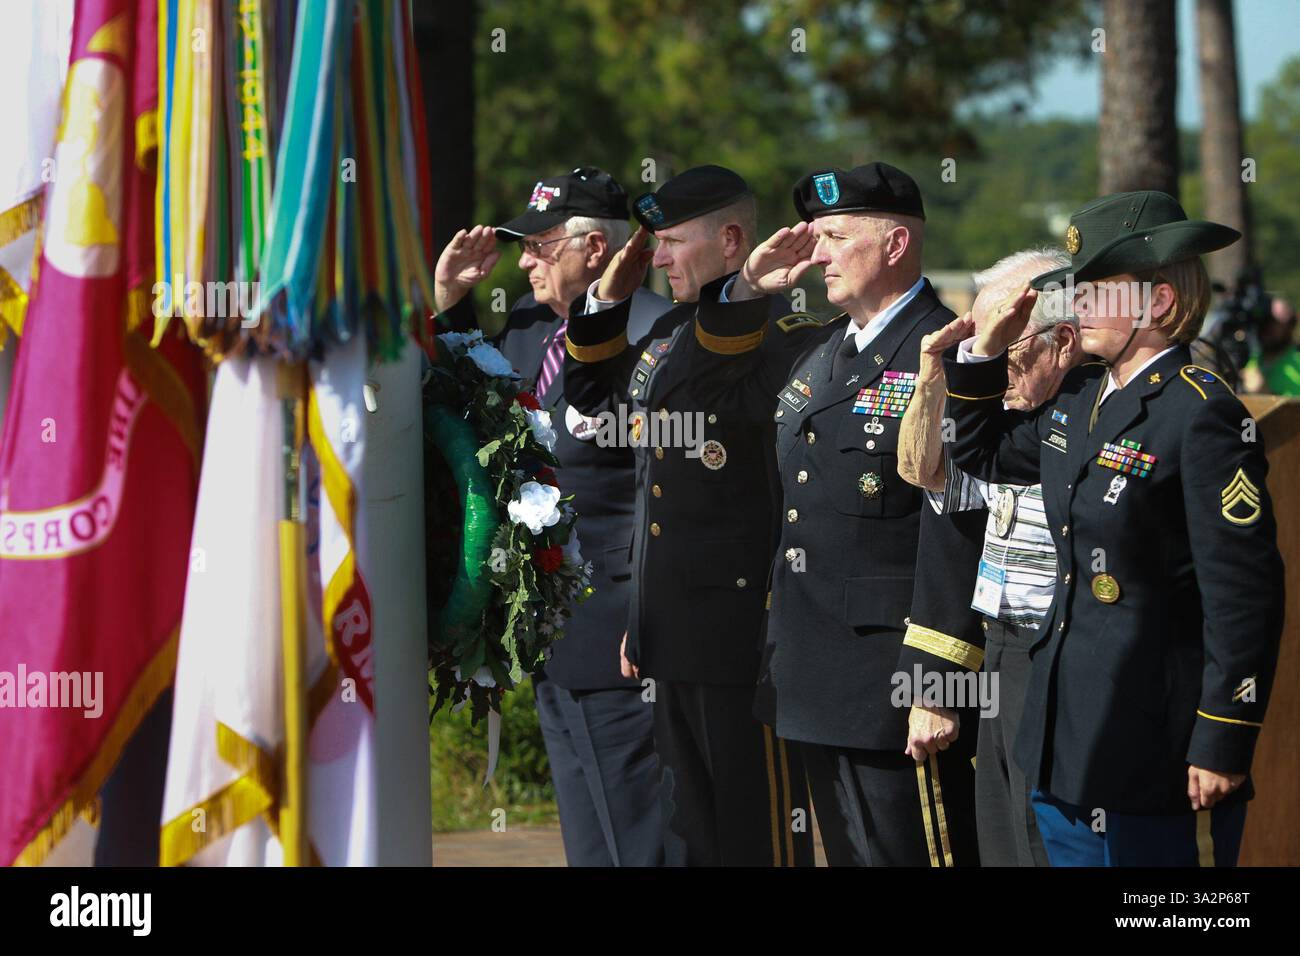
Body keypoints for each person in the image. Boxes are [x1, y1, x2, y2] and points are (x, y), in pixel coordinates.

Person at [943, 190, 1285, 866]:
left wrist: (1222, 739)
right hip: (1068, 738)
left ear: (1157, 303)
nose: (1078, 304)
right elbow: (974, 450)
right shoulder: (1079, 402)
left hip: (1155, 748)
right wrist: (984, 349)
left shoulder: (1199, 415)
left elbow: (1243, 599)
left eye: (1097, 289)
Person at [690, 162, 975, 866]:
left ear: (896, 247)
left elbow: (958, 527)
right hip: (811, 669)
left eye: (835, 237)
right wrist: (749, 288)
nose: (816, 255)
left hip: (894, 684)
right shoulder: (820, 349)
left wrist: (936, 682)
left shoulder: (946, 354)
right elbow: (702, 392)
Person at [563, 165, 818, 866]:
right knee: (692, 832)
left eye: (673, 242)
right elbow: (591, 398)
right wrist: (607, 296)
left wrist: (740, 300)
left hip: (743, 638)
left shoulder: (784, 333)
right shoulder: (674, 330)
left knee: (753, 834)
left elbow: (720, 383)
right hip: (670, 627)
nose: (661, 258)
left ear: (731, 239)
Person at [435, 166, 673, 866]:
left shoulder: (655, 331)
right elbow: (464, 404)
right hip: (550, 631)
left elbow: (666, 497)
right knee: (589, 842)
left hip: (624, 636)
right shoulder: (530, 327)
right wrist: (449, 299)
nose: (524, 261)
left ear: (593, 250)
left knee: (640, 838)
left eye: (539, 246)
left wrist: (646, 618)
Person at [897, 247, 1081, 866]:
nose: (988, 358)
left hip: (1059, 656)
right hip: (997, 655)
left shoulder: (1082, 421)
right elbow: (930, 487)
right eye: (978, 339)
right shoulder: (995, 420)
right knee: (1001, 842)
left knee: (1044, 843)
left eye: (1005, 340)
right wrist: (934, 374)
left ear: (1061, 341)